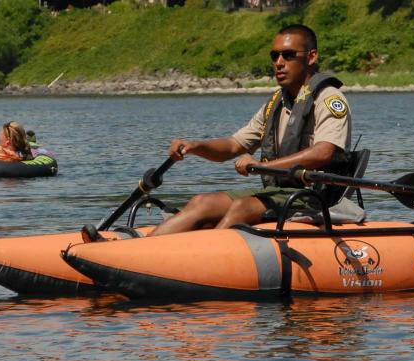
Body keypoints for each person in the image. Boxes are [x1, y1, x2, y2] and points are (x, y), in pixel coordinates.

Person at [110, 24, 352, 240]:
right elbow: (233, 146)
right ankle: (141, 250)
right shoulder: (277, 102)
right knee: (201, 202)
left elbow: (324, 152)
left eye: (288, 55)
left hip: (312, 196)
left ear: (311, 57)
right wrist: (195, 146)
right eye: (274, 55)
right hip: (278, 191)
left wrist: (263, 165)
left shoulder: (328, 97)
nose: (279, 62)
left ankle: (203, 257)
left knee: (242, 208)